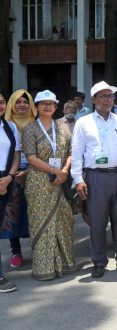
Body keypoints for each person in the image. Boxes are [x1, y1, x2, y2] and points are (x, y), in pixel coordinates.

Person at [71, 81, 117, 279]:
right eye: (104, 96)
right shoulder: (84, 122)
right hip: (96, 177)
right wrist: (78, 178)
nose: (108, 100)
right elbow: (77, 152)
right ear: (94, 99)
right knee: (97, 221)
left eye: (111, 96)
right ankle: (98, 262)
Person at [22, 90, 76, 280]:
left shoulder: (62, 128)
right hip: (39, 182)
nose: (47, 106)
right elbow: (31, 157)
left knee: (64, 219)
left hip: (61, 180)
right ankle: (45, 269)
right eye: (42, 103)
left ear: (56, 107)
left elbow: (71, 151)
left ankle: (65, 264)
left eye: (51, 103)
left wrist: (65, 171)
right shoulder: (30, 129)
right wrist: (56, 171)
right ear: (36, 107)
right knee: (41, 224)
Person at [1, 89, 36, 268]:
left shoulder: (38, 123)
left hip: (35, 172)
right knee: (12, 213)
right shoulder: (7, 124)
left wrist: (29, 170)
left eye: (26, 101)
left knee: (35, 212)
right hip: (11, 173)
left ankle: (38, 249)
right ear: (11, 104)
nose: (22, 105)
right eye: (18, 101)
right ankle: (16, 251)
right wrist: (13, 174)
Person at [0, 91, 19, 292]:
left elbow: (16, 154)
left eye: (2, 102)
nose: (0, 105)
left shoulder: (10, 126)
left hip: (5, 179)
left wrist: (9, 177)